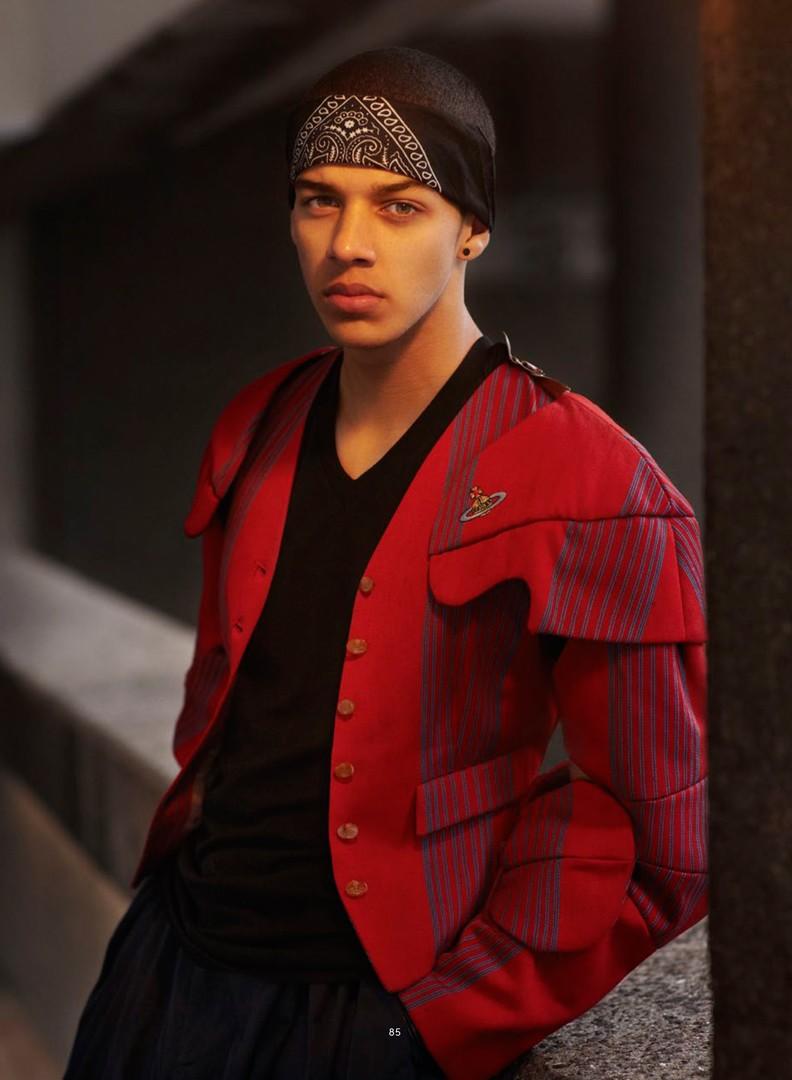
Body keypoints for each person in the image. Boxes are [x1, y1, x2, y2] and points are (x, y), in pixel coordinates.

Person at [63, 45, 708, 1080]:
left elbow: (664, 835)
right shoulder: (255, 424)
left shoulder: (593, 478)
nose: (347, 245)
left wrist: (448, 1017)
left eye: (400, 206)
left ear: (473, 229)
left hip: (376, 1008)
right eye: (318, 200)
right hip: (170, 969)